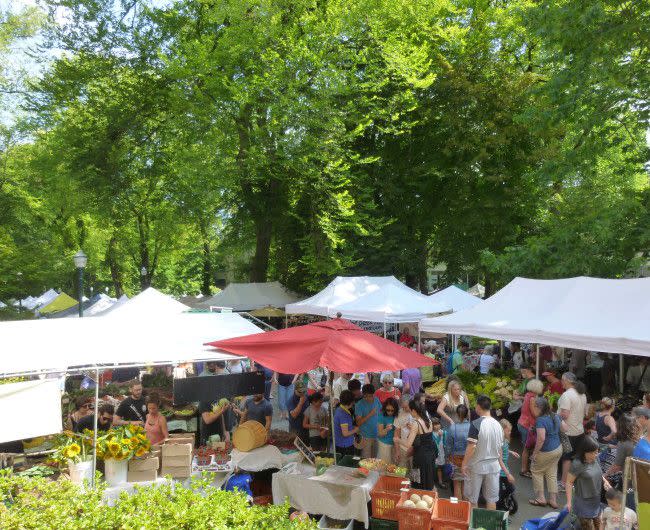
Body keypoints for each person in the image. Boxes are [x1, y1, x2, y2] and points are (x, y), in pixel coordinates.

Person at [461, 395, 514, 510]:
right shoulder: (498, 425)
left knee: (472, 499)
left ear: (478, 407)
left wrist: (464, 464)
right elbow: (500, 449)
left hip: (476, 466)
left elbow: (471, 447)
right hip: (494, 467)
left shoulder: (475, 424)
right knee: (491, 499)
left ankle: (473, 526)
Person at [529, 396, 563, 509]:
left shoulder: (540, 420)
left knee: (536, 471)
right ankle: (553, 500)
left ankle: (541, 498)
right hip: (558, 448)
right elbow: (565, 429)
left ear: (538, 407)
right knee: (552, 473)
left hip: (546, 450)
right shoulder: (555, 415)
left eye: (534, 406)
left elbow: (541, 439)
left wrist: (534, 453)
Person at [396, 400, 436, 489]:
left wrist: (397, 440)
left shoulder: (416, 423)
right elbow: (424, 436)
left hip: (420, 456)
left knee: (418, 481)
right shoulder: (429, 421)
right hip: (430, 455)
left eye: (410, 411)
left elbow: (408, 444)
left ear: (414, 411)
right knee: (428, 479)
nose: (410, 413)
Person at [566, 436, 603, 528]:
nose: (596, 454)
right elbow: (569, 483)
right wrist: (569, 502)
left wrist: (605, 482)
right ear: (584, 452)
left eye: (597, 451)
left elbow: (598, 473)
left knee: (599, 525)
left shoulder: (595, 459)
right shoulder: (577, 464)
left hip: (596, 499)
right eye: (593, 452)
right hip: (583, 502)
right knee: (588, 527)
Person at [518, 378, 545, 478]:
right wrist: (544, 411)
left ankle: (527, 468)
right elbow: (535, 413)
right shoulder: (533, 398)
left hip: (522, 422)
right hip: (527, 425)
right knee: (527, 448)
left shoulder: (527, 395)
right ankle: (524, 470)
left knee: (527, 447)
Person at [446, 404, 471, 500]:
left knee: (457, 484)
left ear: (457, 415)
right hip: (469, 458)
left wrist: (447, 457)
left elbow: (448, 446)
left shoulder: (453, 428)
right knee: (466, 483)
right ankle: (466, 507)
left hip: (455, 458)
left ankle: (459, 508)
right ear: (467, 414)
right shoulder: (471, 427)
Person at [355, 384, 382, 458]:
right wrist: (370, 414)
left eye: (370, 396)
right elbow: (358, 422)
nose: (368, 398)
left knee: (375, 459)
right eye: (365, 396)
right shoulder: (359, 405)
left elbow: (381, 413)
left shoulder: (376, 400)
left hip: (377, 435)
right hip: (366, 436)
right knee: (366, 460)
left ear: (374, 394)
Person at [498, 419, 519, 513]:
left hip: (504, 469)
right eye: (508, 430)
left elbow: (504, 450)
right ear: (502, 430)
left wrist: (511, 452)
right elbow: (500, 460)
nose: (510, 432)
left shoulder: (504, 440)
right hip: (500, 471)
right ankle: (500, 510)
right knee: (498, 493)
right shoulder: (500, 442)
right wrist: (508, 474)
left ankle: (502, 501)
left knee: (511, 488)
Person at [334, 390, 359, 456]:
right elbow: (345, 433)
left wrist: (353, 427)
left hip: (341, 444)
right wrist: (355, 430)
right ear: (352, 402)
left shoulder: (339, 409)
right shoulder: (343, 414)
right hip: (345, 446)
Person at [394, 395, 415, 468]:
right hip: (403, 448)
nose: (404, 409)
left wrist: (413, 428)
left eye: (406, 407)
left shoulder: (419, 412)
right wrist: (397, 451)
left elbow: (425, 431)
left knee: (415, 473)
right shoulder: (399, 413)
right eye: (402, 407)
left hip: (416, 448)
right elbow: (396, 433)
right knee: (401, 472)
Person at [377, 397, 398, 464]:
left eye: (392, 410)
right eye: (388, 410)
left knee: (393, 466)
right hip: (384, 444)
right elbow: (380, 434)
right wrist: (386, 429)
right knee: (384, 465)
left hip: (395, 444)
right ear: (385, 408)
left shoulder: (397, 415)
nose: (390, 412)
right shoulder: (381, 415)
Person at [431, 418, 447, 487]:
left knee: (439, 468)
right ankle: (431, 482)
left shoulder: (444, 432)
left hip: (441, 452)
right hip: (433, 453)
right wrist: (439, 437)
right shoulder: (431, 434)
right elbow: (435, 443)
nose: (436, 426)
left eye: (438, 424)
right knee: (433, 467)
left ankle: (440, 481)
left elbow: (445, 444)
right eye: (434, 425)